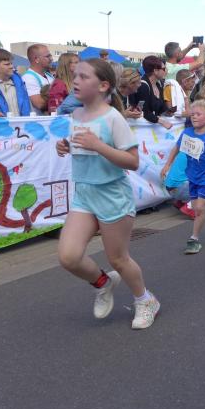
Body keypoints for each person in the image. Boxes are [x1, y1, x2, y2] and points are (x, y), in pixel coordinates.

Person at [55, 58, 159, 329]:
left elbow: (132, 161)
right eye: (75, 76)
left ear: (103, 86)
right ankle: (103, 282)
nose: (76, 81)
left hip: (112, 195)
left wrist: (98, 145)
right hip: (84, 193)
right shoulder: (76, 115)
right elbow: (83, 148)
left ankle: (145, 300)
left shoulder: (113, 117)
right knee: (68, 257)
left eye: (83, 76)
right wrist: (66, 146)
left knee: (118, 259)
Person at [160, 100, 205, 254]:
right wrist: (167, 165)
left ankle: (194, 238)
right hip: (192, 177)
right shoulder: (187, 133)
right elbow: (176, 148)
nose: (194, 117)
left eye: (198, 114)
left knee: (199, 208)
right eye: (192, 114)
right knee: (196, 207)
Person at [130, 55, 172, 129]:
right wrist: (162, 121)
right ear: (155, 71)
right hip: (141, 129)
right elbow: (143, 111)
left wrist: (169, 111)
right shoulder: (143, 86)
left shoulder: (158, 84)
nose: (166, 71)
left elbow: (161, 108)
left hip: (151, 129)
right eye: (164, 68)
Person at [23, 43, 55, 114]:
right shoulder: (28, 78)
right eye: (47, 56)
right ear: (36, 59)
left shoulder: (49, 75)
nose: (51, 59)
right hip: (40, 120)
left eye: (50, 56)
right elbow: (39, 104)